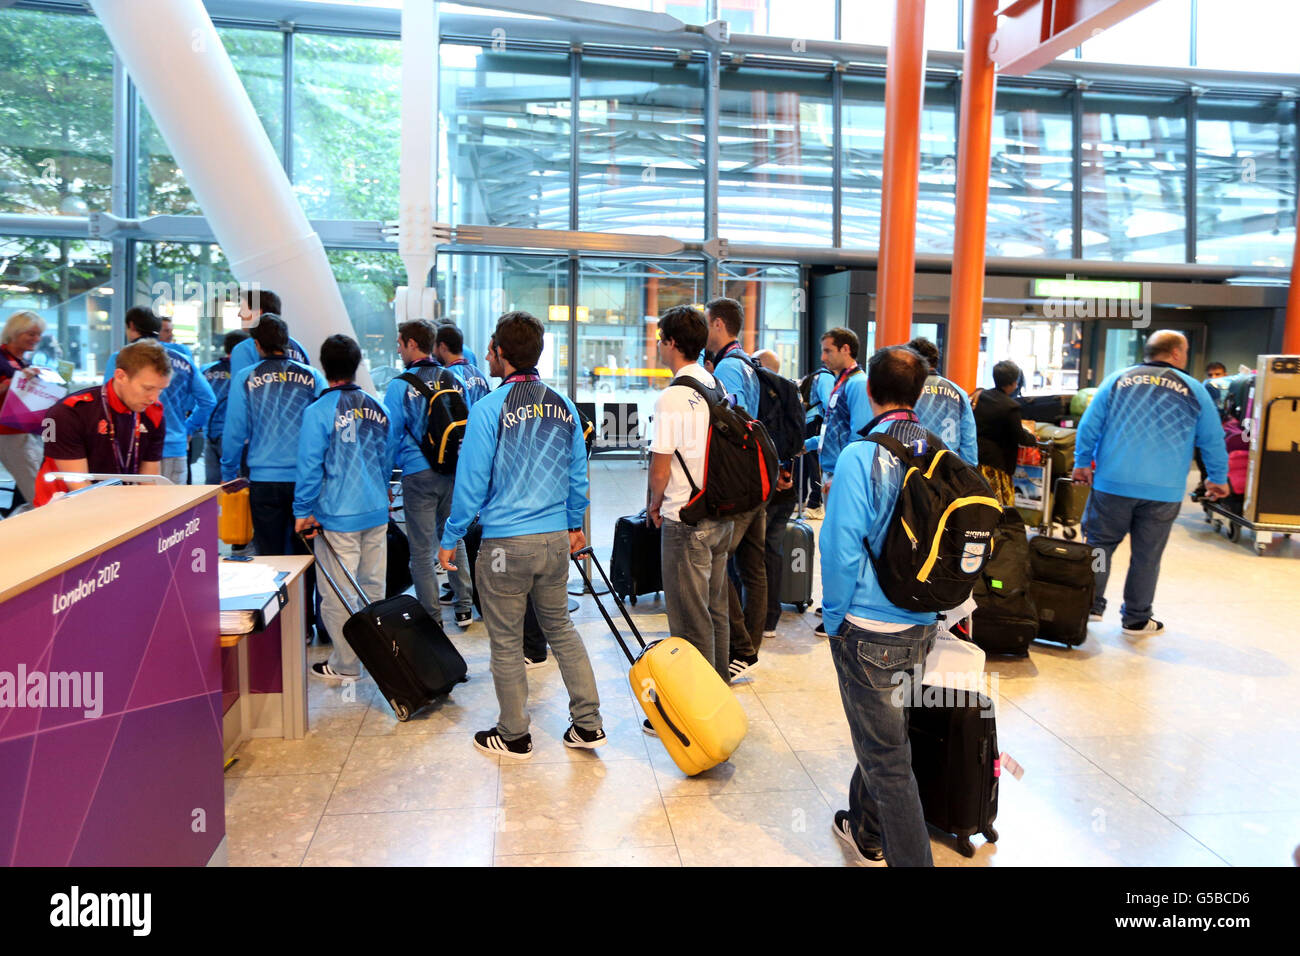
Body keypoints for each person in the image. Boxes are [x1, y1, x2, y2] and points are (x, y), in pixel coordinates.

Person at [438, 311, 605, 759]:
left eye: (491, 349)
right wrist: (574, 525)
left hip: (504, 547)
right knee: (562, 629)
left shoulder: (489, 409)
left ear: (500, 354)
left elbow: (471, 484)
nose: (488, 355)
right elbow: (577, 476)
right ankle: (588, 725)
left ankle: (514, 734)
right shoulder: (564, 405)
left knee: (507, 640)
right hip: (554, 542)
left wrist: (451, 534)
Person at [821, 344, 941, 868]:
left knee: (889, 759)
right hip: (923, 619)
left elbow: (841, 545)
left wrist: (832, 618)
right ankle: (865, 830)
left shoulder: (860, 454)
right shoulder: (940, 450)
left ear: (868, 391)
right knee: (885, 733)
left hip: (869, 625)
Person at [1073, 330, 1229, 637]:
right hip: (1163, 489)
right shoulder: (1194, 389)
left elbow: (1090, 425)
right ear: (1174, 353)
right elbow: (1212, 439)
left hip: (1112, 484)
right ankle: (1136, 619)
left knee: (1099, 548)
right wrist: (1217, 478)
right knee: (1147, 555)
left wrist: (1081, 462)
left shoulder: (1117, 380)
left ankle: (1087, 606)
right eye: (1184, 351)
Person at [295, 335, 396, 682]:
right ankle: (377, 655)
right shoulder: (377, 406)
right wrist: (382, 493)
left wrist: (302, 509)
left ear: (325, 367)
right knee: (373, 587)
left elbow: (309, 467)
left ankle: (346, 665)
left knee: (337, 594)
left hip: (337, 516)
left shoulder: (317, 412)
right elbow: (387, 459)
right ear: (356, 364)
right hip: (375, 511)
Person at [647, 305, 734, 694]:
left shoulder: (673, 397)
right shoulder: (715, 386)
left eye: (661, 340)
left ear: (672, 344)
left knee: (688, 618)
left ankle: (697, 707)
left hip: (686, 521)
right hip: (720, 514)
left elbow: (660, 467)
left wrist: (653, 503)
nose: (659, 347)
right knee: (715, 609)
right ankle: (718, 689)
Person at [383, 319, 472, 629]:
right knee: (453, 537)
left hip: (417, 474)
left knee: (421, 551)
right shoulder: (453, 378)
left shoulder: (399, 385)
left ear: (411, 344)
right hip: (452, 470)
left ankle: (431, 618)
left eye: (399, 342)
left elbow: (391, 437)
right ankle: (463, 608)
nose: (397, 348)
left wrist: (385, 482)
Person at [221, 315, 327, 557]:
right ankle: (303, 595)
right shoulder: (313, 377)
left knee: (270, 557)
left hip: (263, 480)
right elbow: (325, 427)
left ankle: (278, 595)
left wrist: (228, 474)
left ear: (256, 344)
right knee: (306, 554)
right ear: (286, 341)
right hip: (306, 480)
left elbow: (235, 431)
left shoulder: (245, 378)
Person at [703, 296, 764, 676]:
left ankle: (741, 647)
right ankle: (749, 645)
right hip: (758, 474)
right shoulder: (749, 363)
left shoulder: (728, 367)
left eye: (707, 323)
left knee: (715, 561)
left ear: (719, 325)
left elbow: (725, 422)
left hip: (737, 480)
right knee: (753, 566)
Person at [36, 340, 170, 506]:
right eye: (148, 388)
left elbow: (149, 480)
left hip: (116, 504)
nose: (154, 398)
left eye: (161, 389)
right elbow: (78, 485)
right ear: (120, 376)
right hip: (62, 505)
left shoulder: (153, 413)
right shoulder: (69, 412)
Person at [104, 307, 215, 486]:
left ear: (131, 326)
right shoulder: (183, 359)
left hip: (130, 448)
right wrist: (187, 428)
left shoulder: (121, 359)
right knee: (173, 510)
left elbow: (108, 401)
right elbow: (208, 400)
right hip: (174, 448)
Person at [431, 322, 491, 610]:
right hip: (485, 454)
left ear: (442, 347)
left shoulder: (450, 376)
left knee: (461, 526)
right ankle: (463, 585)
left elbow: (458, 424)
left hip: (465, 459)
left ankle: (464, 588)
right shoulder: (478, 374)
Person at [753, 348, 799, 639]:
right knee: (774, 548)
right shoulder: (789, 393)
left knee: (756, 553)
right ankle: (771, 617)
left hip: (766, 485)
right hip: (786, 484)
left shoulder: (761, 394)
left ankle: (758, 617)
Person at [973, 359, 1036, 508]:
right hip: (997, 465)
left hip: (976, 459)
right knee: (999, 506)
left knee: (979, 501)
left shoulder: (980, 396)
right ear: (1014, 383)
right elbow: (1019, 436)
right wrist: (1033, 439)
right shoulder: (1010, 407)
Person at [0, 311, 47, 512]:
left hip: (25, 430)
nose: (36, 339)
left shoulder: (21, 361)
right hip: (9, 433)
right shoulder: (3, 359)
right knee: (38, 493)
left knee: (40, 488)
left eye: (38, 334)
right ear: (15, 333)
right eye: (30, 334)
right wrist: (19, 379)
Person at [907, 336, 978, 465]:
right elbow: (969, 442)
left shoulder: (907, 389)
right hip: (948, 466)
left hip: (913, 465)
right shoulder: (959, 392)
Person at [200, 329, 250, 485]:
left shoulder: (206, 370)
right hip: (234, 436)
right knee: (233, 485)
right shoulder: (245, 373)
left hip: (209, 433)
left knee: (212, 486)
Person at [229, 288, 310, 377]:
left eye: (243, 309)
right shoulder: (299, 348)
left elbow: (241, 388)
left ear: (257, 312)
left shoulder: (244, 349)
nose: (239, 314)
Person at [801, 361, 835, 519]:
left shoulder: (815, 375)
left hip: (807, 421)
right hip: (816, 420)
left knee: (808, 464)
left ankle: (801, 500)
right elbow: (830, 404)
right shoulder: (827, 377)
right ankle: (814, 504)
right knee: (816, 464)